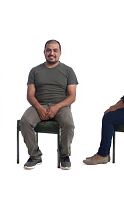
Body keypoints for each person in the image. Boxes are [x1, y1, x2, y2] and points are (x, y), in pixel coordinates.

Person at [21, 40, 78, 170]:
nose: (51, 53)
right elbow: (30, 95)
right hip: (39, 104)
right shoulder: (35, 70)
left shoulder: (68, 71)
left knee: (69, 124)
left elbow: (72, 96)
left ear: (60, 53)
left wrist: (56, 107)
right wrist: (39, 107)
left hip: (61, 106)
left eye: (55, 50)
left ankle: (64, 154)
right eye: (48, 50)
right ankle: (35, 156)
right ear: (44, 52)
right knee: (25, 121)